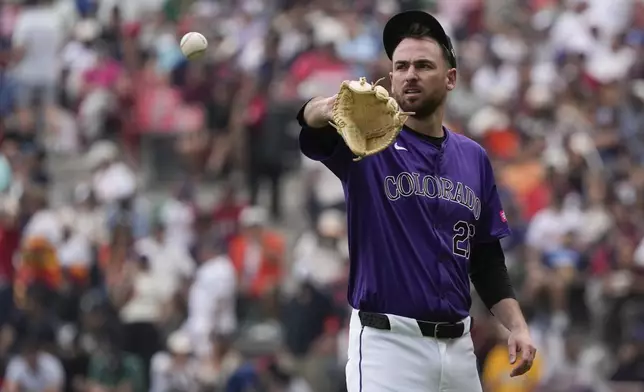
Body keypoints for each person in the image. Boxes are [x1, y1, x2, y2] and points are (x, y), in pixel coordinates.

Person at [297, 10, 537, 392]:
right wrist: (323, 108)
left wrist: (518, 326)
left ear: (450, 78)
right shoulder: (367, 142)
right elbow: (311, 131)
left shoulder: (473, 157)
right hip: (388, 346)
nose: (410, 74)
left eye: (424, 65)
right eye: (401, 66)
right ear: (390, 77)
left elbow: (487, 259)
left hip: (459, 349)